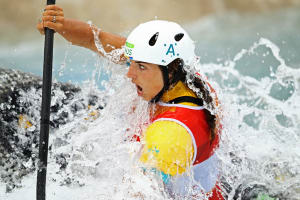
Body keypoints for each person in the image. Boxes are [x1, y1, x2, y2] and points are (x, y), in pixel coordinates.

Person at [37, 5, 224, 199]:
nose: (129, 73)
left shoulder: (171, 135)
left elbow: (137, 193)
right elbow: (99, 40)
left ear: (171, 70)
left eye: (140, 67)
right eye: (132, 62)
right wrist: (61, 25)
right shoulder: (182, 77)